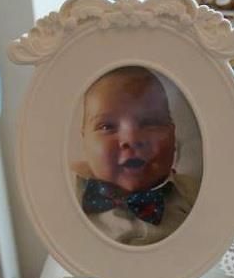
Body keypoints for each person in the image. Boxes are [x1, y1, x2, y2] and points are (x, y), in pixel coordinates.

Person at [72, 66, 199, 246]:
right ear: (84, 140)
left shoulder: (196, 194)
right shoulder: (66, 198)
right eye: (107, 126)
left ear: (172, 135)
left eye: (150, 123)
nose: (131, 139)